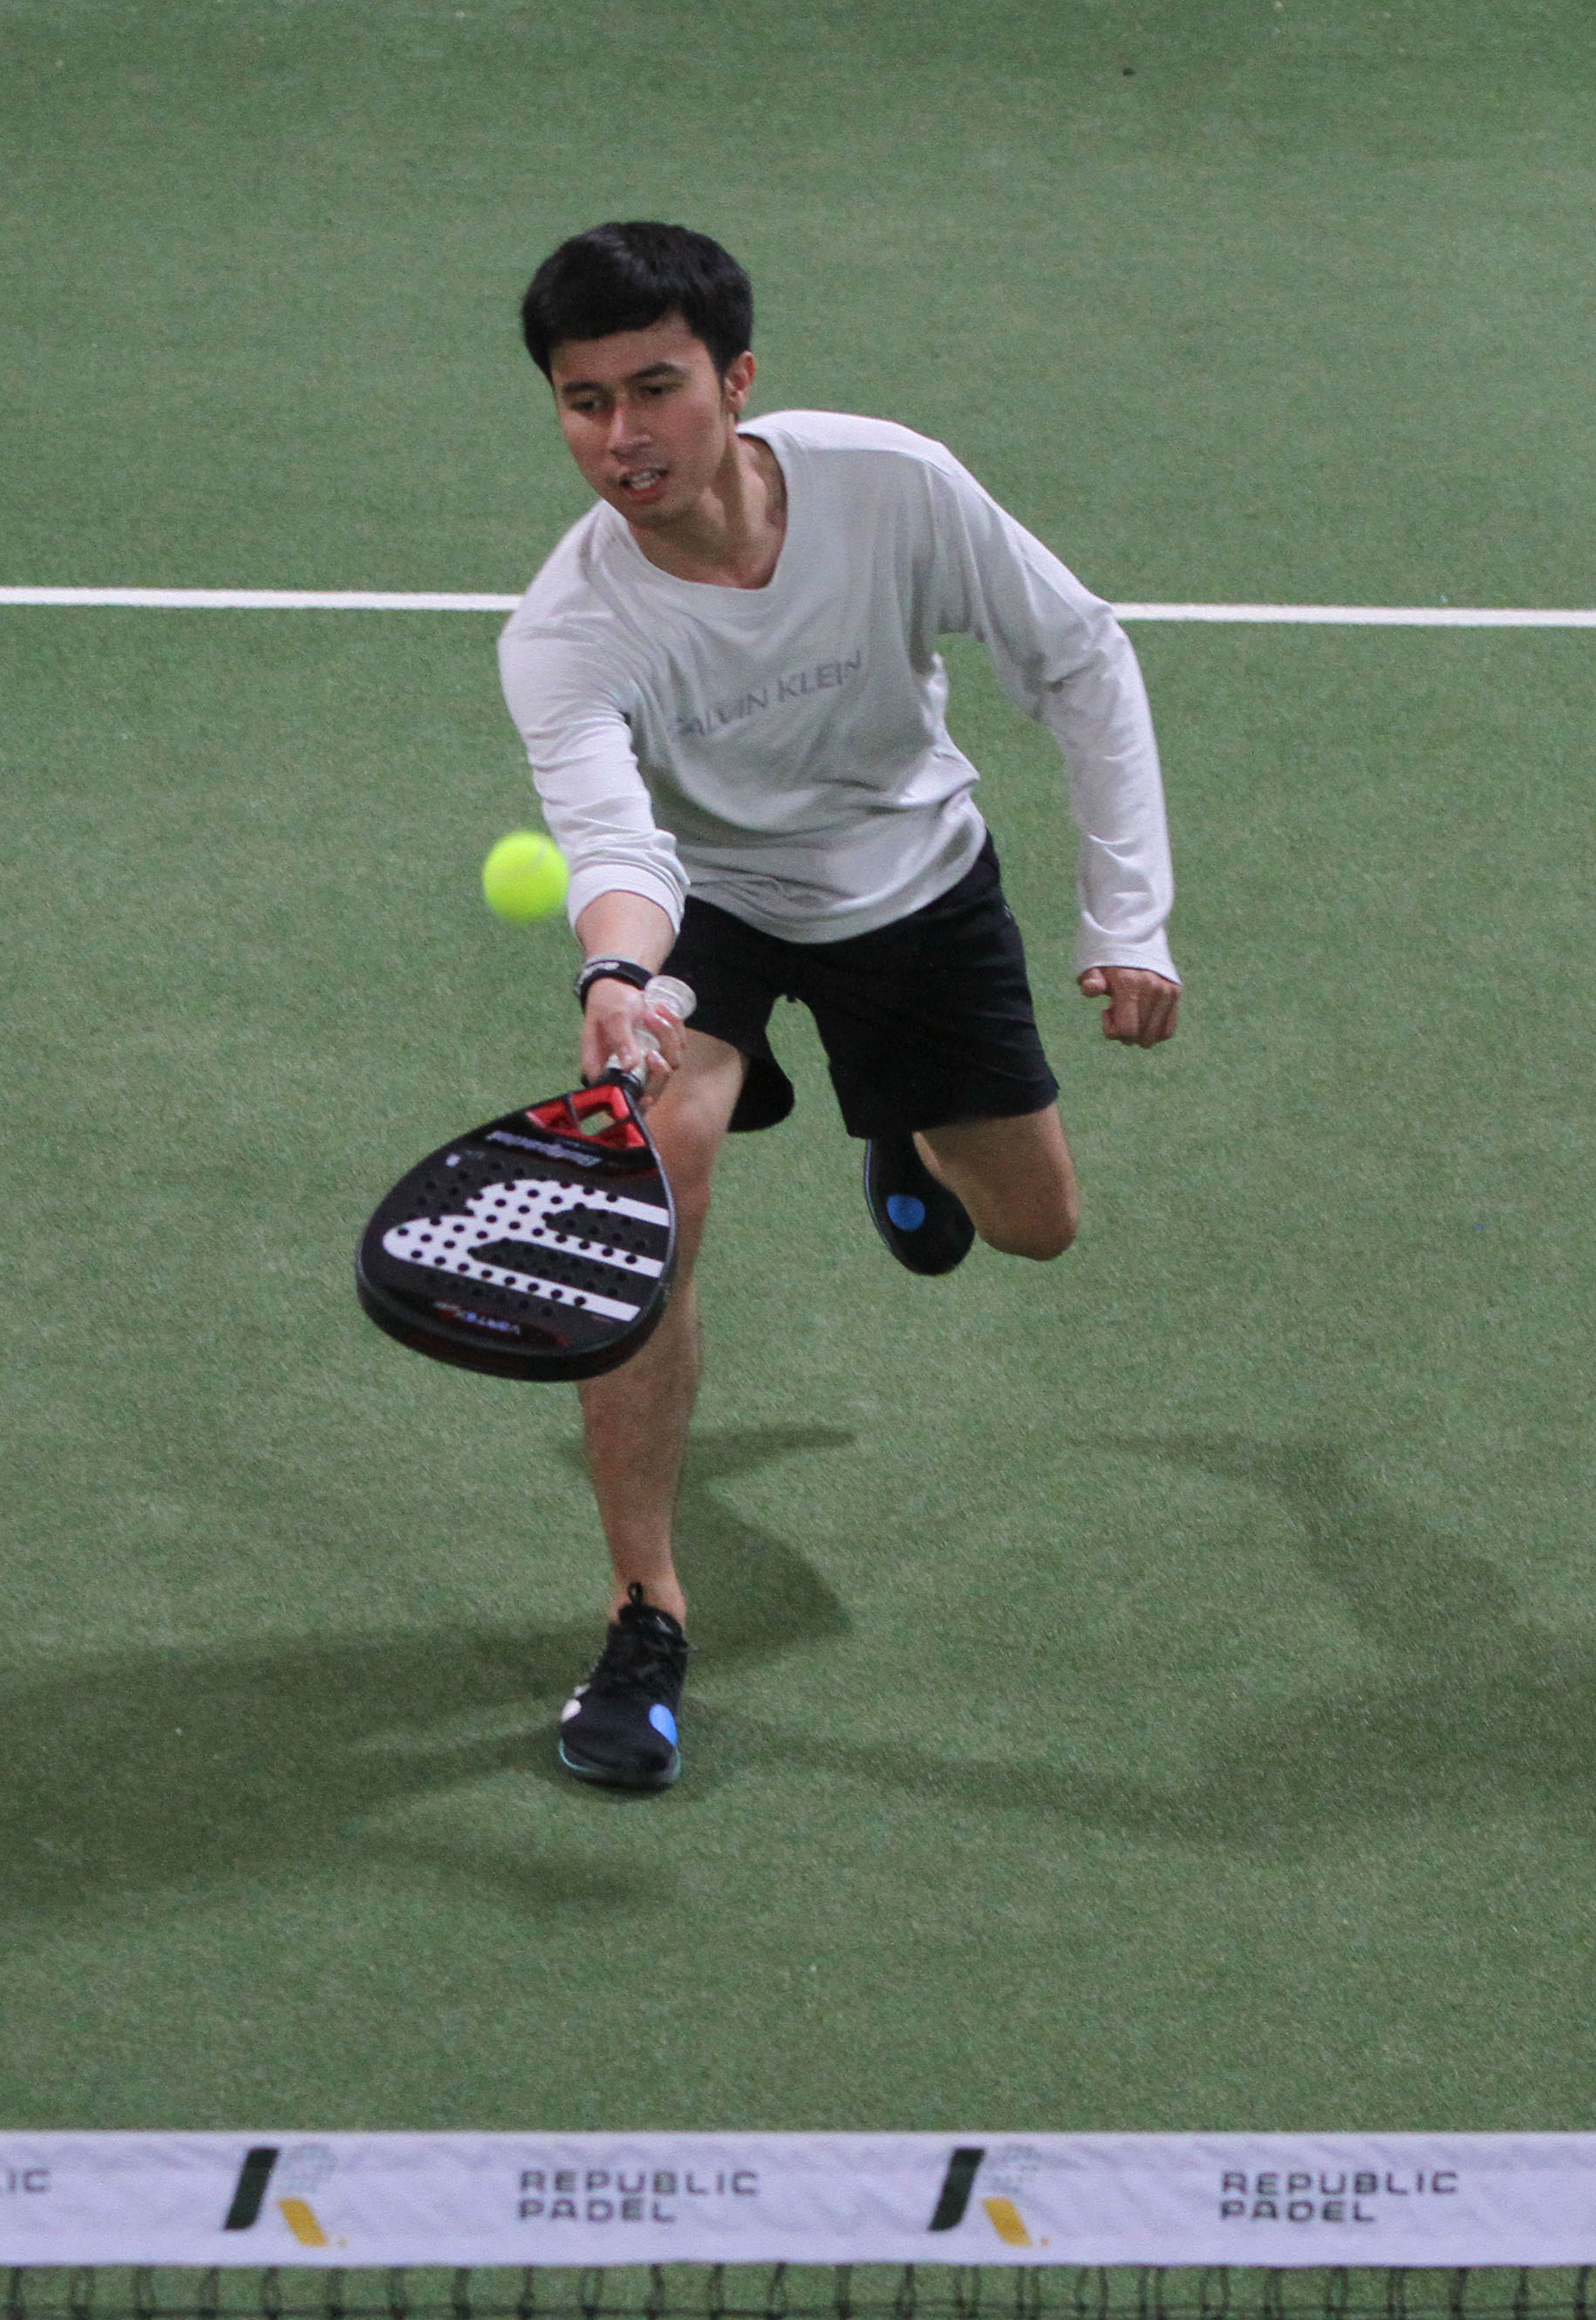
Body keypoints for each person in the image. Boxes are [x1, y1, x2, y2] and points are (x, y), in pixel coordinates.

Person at [497, 221, 1181, 1791]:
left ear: (736, 381)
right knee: (646, 1186)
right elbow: (614, 843)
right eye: (582, 401)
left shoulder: (893, 486)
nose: (620, 437)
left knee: (1034, 1224)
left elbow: (1079, 658)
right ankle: (644, 1614)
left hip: (911, 880)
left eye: (653, 389)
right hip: (706, 901)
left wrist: (1126, 917)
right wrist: (617, 976)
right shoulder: (567, 630)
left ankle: (905, 1140)